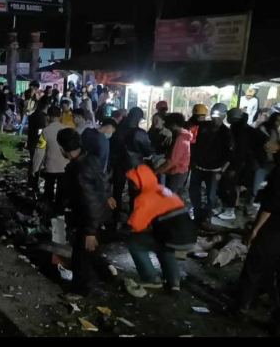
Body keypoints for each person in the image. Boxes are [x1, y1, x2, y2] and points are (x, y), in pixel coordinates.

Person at [57, 128, 116, 297]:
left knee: (80, 254)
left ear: (63, 150)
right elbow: (102, 179)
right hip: (99, 211)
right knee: (88, 249)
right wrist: (107, 196)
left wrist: (90, 231)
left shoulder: (77, 171)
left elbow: (89, 202)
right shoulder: (90, 158)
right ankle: (106, 272)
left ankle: (80, 289)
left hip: (89, 216)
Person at [126, 164, 194, 293]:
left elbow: (137, 225)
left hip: (172, 237)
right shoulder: (162, 190)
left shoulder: (144, 197)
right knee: (163, 246)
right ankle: (174, 282)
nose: (132, 186)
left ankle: (151, 278)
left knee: (134, 243)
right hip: (188, 236)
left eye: (133, 182)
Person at [236, 150, 280, 335]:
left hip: (273, 229)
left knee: (255, 266)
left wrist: (255, 229)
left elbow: (270, 204)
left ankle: (241, 306)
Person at [189, 103, 234, 225]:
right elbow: (193, 143)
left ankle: (207, 216)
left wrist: (221, 171)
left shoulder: (226, 133)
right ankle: (197, 213)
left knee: (211, 196)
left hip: (214, 170)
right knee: (193, 191)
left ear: (224, 116)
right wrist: (192, 161)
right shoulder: (203, 126)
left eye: (218, 116)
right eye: (213, 115)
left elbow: (230, 155)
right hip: (198, 166)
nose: (215, 118)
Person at [32, 106, 69, 214]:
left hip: (50, 167)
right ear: (60, 116)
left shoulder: (46, 131)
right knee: (61, 194)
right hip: (65, 168)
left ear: (48, 117)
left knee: (48, 191)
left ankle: (47, 212)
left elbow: (40, 151)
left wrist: (35, 168)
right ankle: (59, 214)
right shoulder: (67, 129)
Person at [155, 113, 192, 197]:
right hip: (181, 172)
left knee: (172, 199)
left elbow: (172, 161)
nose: (168, 128)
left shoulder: (180, 139)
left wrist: (158, 170)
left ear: (174, 125)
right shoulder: (183, 136)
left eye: (169, 125)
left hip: (176, 173)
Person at [27, 98, 50, 195]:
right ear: (46, 107)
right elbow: (40, 131)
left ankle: (31, 184)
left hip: (32, 142)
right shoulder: (42, 117)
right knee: (36, 166)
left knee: (33, 163)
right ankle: (34, 186)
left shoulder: (33, 115)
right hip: (38, 144)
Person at [148, 113, 174, 185]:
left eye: (157, 120)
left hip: (161, 162)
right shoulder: (151, 132)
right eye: (153, 120)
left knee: (161, 183)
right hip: (151, 161)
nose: (155, 122)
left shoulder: (167, 134)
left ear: (163, 121)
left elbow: (168, 149)